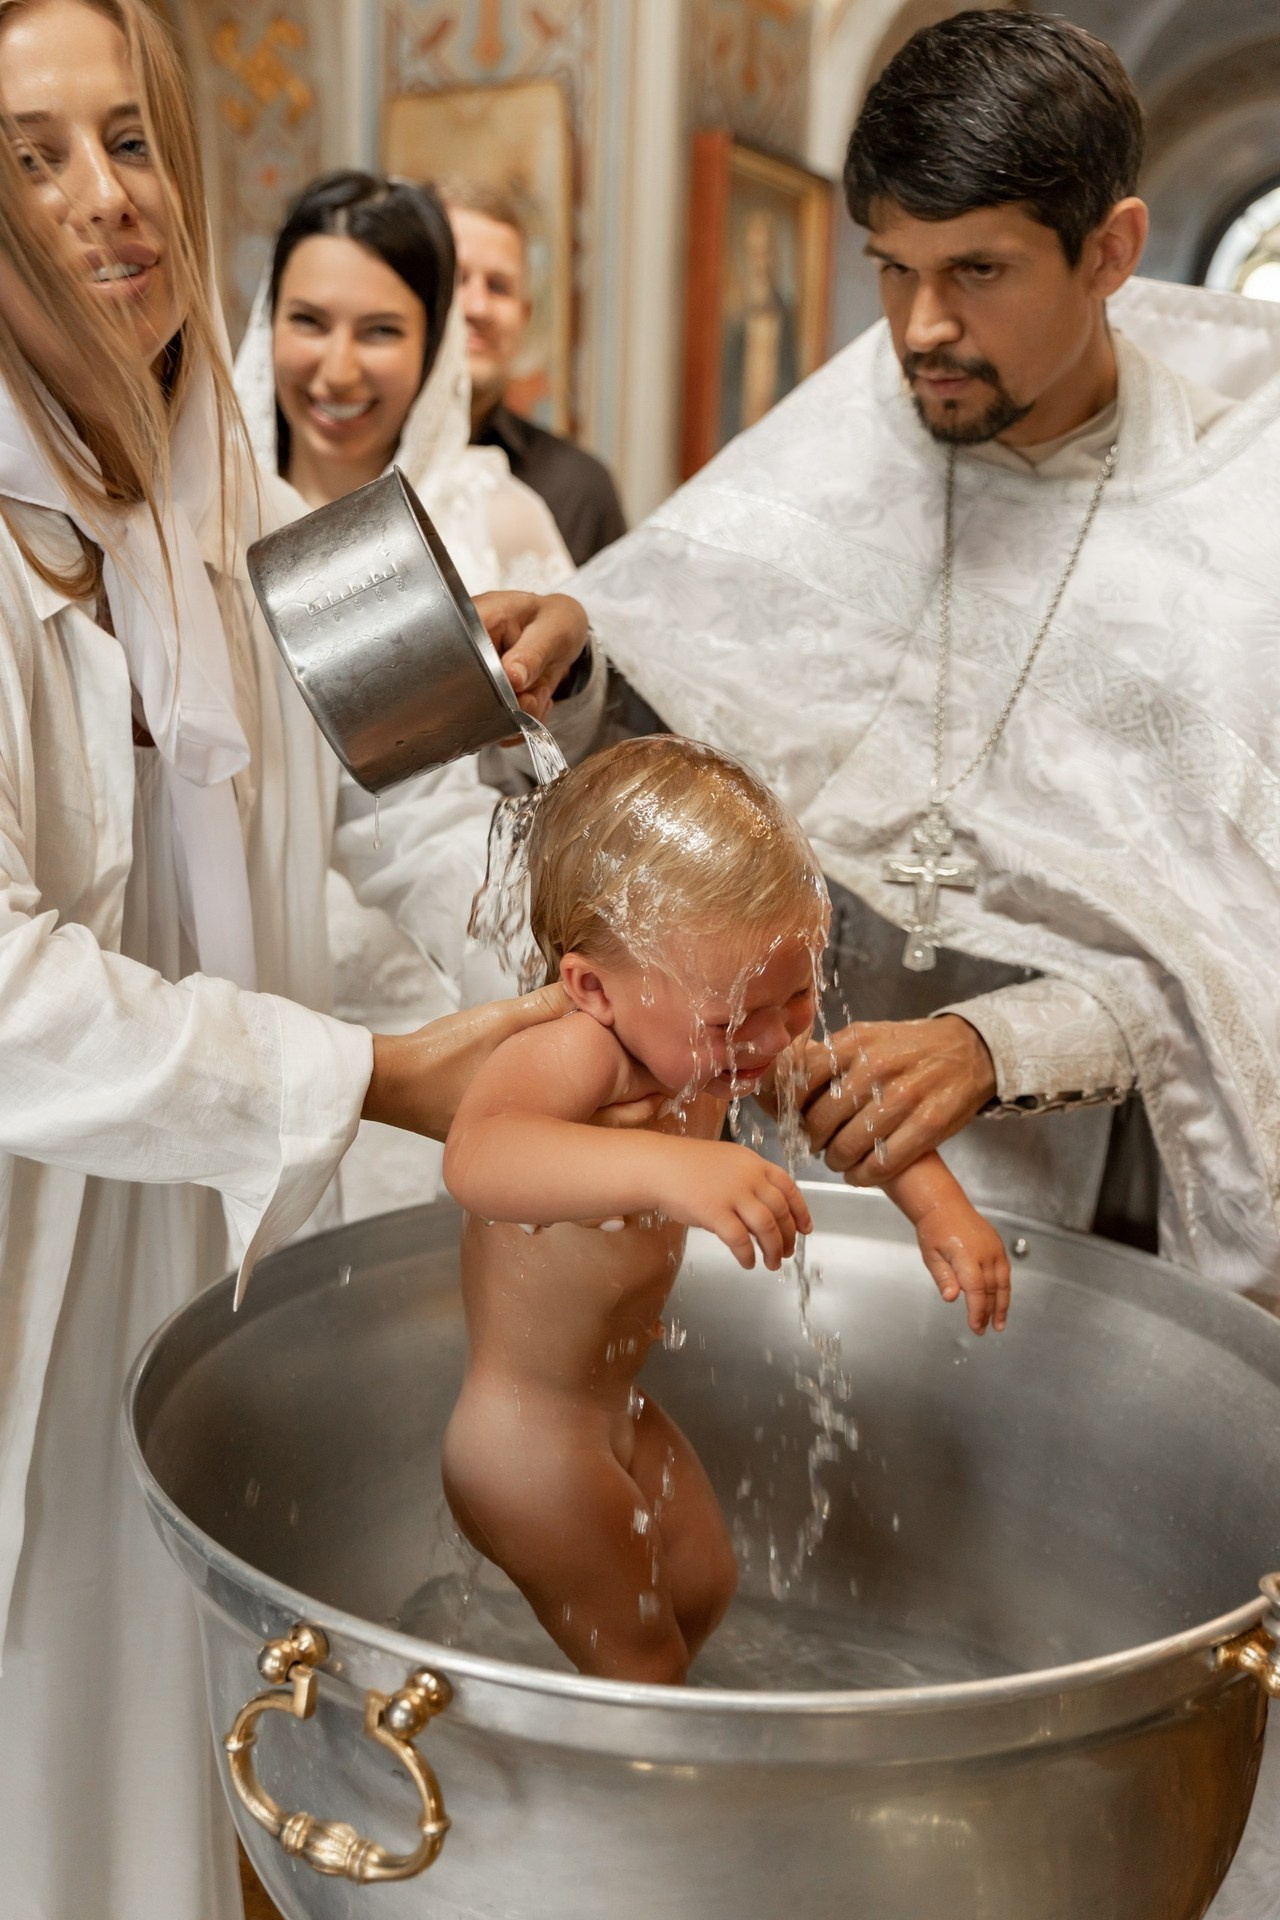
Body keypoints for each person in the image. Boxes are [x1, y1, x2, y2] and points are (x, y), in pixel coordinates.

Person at [0, 5, 589, 1915]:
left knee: (213, 1732)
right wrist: (361, 1076)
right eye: (32, 157)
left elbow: (417, 804)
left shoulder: (240, 495)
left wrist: (588, 936)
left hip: (215, 1233)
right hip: (38, 1254)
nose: (109, 203)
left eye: (133, 140)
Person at [575, 11, 1280, 1299]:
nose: (915, 329)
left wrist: (992, 1045)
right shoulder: (862, 420)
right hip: (776, 1136)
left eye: (976, 272)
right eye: (891, 269)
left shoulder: (1246, 528)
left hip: (1096, 1215)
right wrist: (578, 665)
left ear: (1108, 251)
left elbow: (1247, 952)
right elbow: (665, 727)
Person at [441, 738, 1011, 1682]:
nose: (772, 1036)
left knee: (704, 1589)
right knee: (640, 1666)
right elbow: (479, 1157)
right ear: (593, 987)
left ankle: (649, 1764)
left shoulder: (723, 1046)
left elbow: (843, 1105)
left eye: (795, 996)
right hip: (524, 1446)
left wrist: (941, 1208)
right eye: (730, 1017)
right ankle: (630, 1811)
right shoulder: (577, 1054)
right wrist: (670, 1168)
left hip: (617, 1412)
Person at [234, 170, 600, 1220]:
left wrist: (556, 679)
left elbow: (555, 772)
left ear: (434, 343)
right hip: (234, 998)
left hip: (435, 1005)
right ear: (269, 326)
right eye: (309, 322)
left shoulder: (500, 509)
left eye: (381, 331)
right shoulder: (205, 517)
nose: (338, 369)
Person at [443, 176, 628, 567]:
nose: (477, 307)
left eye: (499, 287)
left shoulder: (579, 487)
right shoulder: (346, 457)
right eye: (457, 280)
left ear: (524, 315)